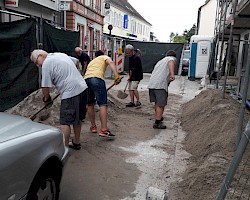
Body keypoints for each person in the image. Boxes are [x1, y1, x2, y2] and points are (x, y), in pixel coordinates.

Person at [30, 49, 88, 150]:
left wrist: (46, 98)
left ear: (40, 56)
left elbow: (45, 86)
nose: (37, 65)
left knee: (65, 122)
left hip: (71, 93)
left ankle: (64, 148)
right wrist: (71, 75)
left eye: (36, 62)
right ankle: (76, 142)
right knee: (77, 118)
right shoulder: (60, 54)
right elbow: (77, 62)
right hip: (82, 88)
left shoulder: (46, 63)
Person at [84, 50, 121, 137]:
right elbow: (111, 62)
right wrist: (116, 75)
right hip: (97, 79)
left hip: (86, 80)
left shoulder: (92, 62)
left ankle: (93, 127)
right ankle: (104, 129)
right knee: (103, 104)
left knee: (90, 104)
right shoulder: (104, 57)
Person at [147, 50, 176, 129]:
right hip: (160, 85)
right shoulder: (171, 59)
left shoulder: (160, 61)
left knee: (157, 102)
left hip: (152, 84)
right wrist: (172, 74)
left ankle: (158, 117)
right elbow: (171, 62)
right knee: (161, 104)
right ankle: (157, 123)